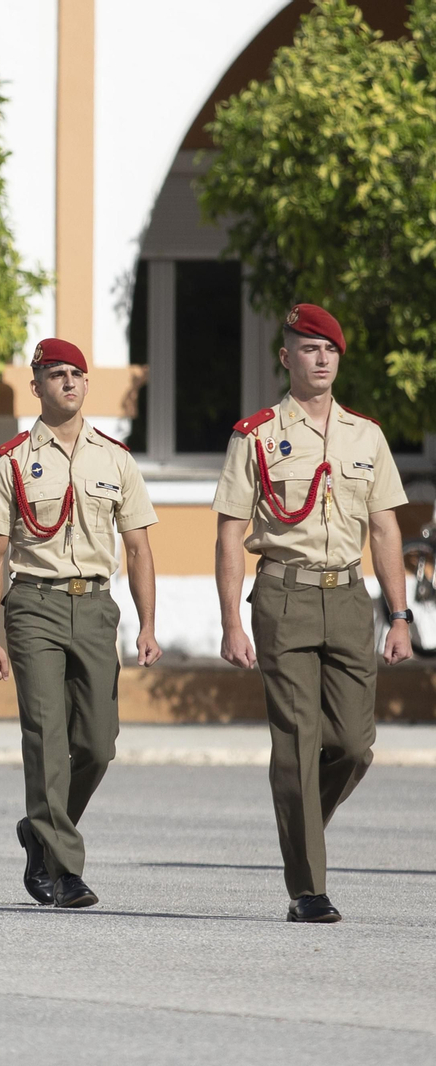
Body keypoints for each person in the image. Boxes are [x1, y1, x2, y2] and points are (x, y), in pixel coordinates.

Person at [213, 303, 412, 924]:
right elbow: (229, 535)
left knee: (353, 747)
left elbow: (384, 530)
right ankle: (308, 888)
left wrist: (400, 615)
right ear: (287, 357)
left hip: (350, 598)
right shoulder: (257, 436)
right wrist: (230, 622)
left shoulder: (366, 436)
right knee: (297, 743)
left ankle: (301, 826)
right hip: (285, 594)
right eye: (308, 348)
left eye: (329, 351)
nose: (321, 359)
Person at [0, 338, 161, 910]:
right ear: (37, 387)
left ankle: (40, 832)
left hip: (97, 607)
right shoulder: (10, 461)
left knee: (98, 744)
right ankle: (69, 869)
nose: (69, 383)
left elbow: (139, 549)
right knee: (47, 737)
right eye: (55, 375)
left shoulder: (115, 458)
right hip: (33, 605)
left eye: (76, 374)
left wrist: (147, 625)